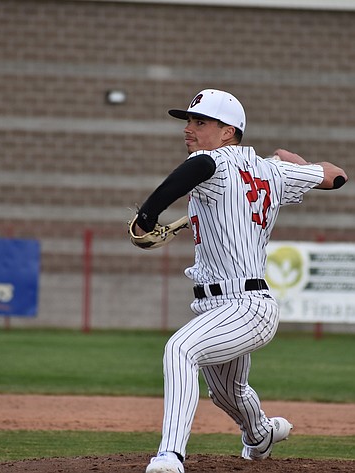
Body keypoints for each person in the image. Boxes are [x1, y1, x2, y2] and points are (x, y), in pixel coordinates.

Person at [133, 89, 348, 473]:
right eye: (189, 121)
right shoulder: (272, 171)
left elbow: (188, 175)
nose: (189, 129)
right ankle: (260, 433)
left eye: (200, 122)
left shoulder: (208, 162)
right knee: (228, 393)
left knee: (180, 350)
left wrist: (148, 214)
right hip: (216, 305)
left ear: (228, 131)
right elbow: (336, 176)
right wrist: (296, 165)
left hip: (248, 305)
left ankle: (169, 456)